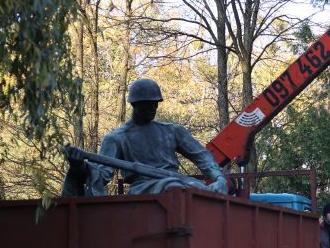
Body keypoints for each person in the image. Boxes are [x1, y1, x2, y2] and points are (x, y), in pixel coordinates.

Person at [63, 78, 228, 196]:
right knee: (176, 188)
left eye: (155, 104)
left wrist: (219, 178)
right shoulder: (117, 138)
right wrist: (79, 166)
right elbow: (101, 174)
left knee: (204, 192)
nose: (153, 108)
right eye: (147, 104)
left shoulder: (173, 131)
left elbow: (202, 156)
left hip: (180, 182)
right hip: (144, 190)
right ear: (135, 104)